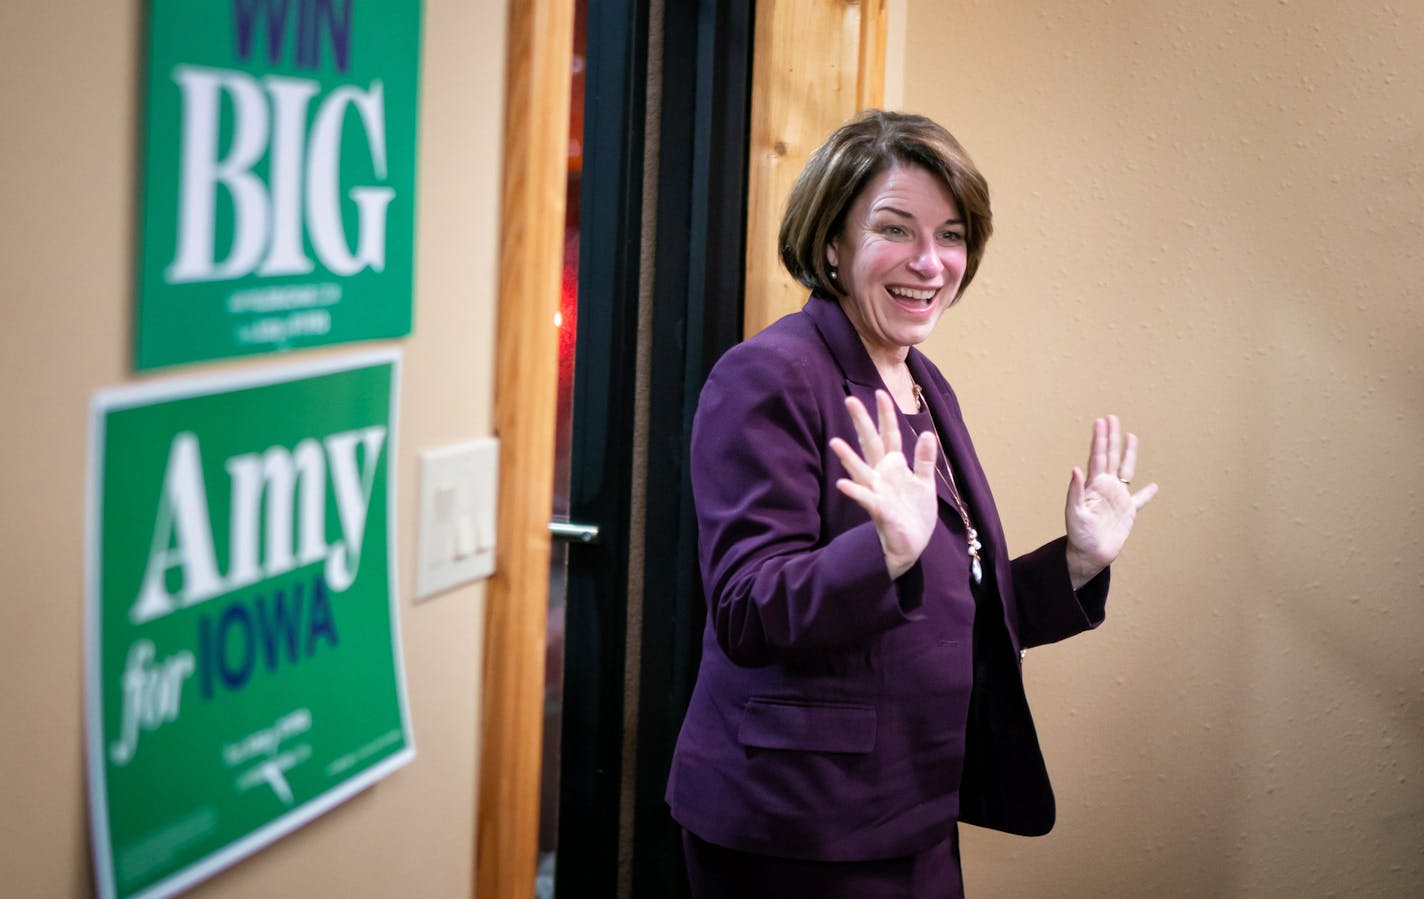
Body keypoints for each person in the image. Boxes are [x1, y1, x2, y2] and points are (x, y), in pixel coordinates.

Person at [665, 109, 1158, 898]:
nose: (931, 262)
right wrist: (882, 553)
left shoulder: (922, 380)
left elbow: (949, 599)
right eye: (896, 230)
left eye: (953, 235)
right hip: (800, 827)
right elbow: (746, 608)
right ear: (832, 242)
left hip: (917, 807)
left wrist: (1076, 561)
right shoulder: (769, 374)